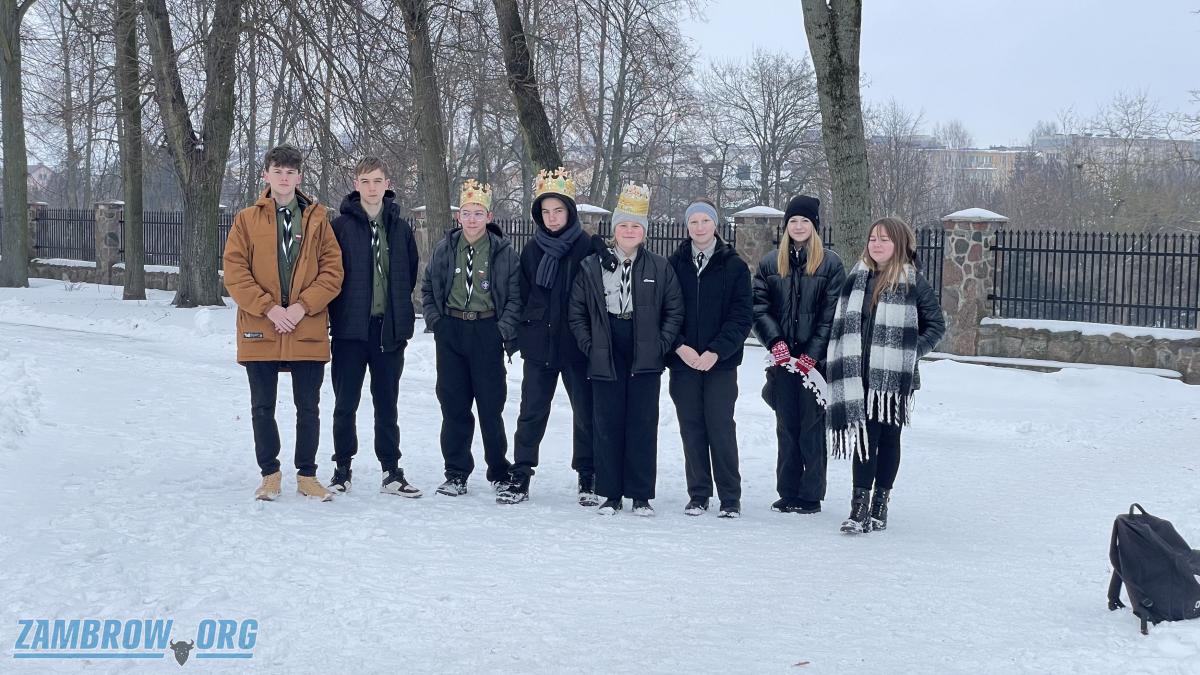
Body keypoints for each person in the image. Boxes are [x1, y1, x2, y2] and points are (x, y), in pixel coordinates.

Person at [222, 144, 344, 502]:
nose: (284, 178)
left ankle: (307, 476)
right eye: (278, 172)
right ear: (266, 175)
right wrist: (269, 309)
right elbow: (235, 271)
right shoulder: (246, 219)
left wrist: (302, 307)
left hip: (306, 325)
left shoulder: (318, 220)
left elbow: (333, 272)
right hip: (261, 325)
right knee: (263, 406)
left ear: (299, 177)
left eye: (290, 172)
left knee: (308, 408)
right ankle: (270, 475)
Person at [568, 183, 684, 516]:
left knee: (642, 423)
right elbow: (577, 311)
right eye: (623, 225)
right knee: (607, 421)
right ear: (614, 229)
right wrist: (590, 345)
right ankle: (610, 493)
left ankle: (641, 494)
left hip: (644, 348)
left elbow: (674, 310)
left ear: (644, 231)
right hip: (606, 346)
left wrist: (660, 344)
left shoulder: (659, 267)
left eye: (635, 226)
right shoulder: (592, 266)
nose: (629, 231)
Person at [825, 217, 945, 534]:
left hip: (894, 380)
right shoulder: (856, 279)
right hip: (858, 375)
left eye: (884, 239)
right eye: (873, 238)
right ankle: (858, 509)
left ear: (899, 244)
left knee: (889, 438)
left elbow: (936, 326)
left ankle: (880, 505)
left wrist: (909, 353)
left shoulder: (913, 282)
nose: (876, 244)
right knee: (866, 438)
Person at [499, 168, 599, 505]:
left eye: (558, 210)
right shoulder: (532, 249)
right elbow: (522, 293)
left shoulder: (587, 247)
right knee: (531, 411)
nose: (552, 217)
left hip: (576, 345)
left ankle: (588, 474)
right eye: (546, 211)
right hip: (539, 345)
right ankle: (521, 474)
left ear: (569, 211)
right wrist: (520, 334)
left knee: (585, 412)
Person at [326, 156, 422, 497]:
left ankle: (391, 471)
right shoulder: (340, 227)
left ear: (387, 184)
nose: (371, 187)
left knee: (387, 404)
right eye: (365, 181)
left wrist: (397, 313)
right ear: (356, 184)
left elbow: (409, 273)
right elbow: (330, 275)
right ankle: (342, 469)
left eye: (377, 181)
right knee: (345, 404)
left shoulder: (400, 228)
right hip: (350, 331)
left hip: (388, 331)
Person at [422, 180, 522, 496]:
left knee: (490, 407)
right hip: (451, 330)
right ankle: (456, 472)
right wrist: (436, 322)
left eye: (479, 213)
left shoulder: (503, 253)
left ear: (489, 216)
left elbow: (516, 297)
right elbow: (428, 288)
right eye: (467, 213)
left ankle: (499, 471)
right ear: (458, 216)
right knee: (453, 405)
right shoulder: (445, 249)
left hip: (486, 330)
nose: (472, 219)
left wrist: (501, 331)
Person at [753, 194, 845, 515]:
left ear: (814, 226)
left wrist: (813, 353)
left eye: (805, 221)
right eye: (793, 220)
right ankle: (788, 490)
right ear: (786, 225)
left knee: (811, 427)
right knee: (786, 425)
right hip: (782, 361)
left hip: (814, 363)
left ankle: (810, 495)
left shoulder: (830, 264)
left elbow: (831, 315)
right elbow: (758, 307)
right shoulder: (770, 263)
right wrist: (774, 341)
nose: (799, 226)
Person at [666, 198, 753, 518]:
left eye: (705, 221)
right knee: (691, 428)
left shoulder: (734, 266)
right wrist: (680, 346)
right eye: (694, 222)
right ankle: (699, 494)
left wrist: (716, 351)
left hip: (720, 363)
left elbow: (741, 316)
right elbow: (664, 311)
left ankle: (730, 497)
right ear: (686, 226)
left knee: (720, 427)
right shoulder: (673, 265)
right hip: (683, 361)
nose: (699, 227)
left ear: (715, 224)